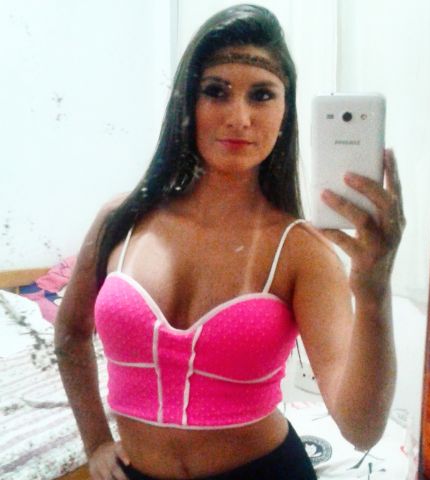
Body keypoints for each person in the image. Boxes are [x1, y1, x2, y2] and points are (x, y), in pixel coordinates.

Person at [54, 4, 405, 480]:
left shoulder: (301, 250)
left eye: (262, 95)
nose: (239, 117)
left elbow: (361, 429)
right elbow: (70, 335)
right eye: (216, 91)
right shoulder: (121, 221)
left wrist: (374, 290)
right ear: (187, 102)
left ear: (284, 112)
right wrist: (95, 439)